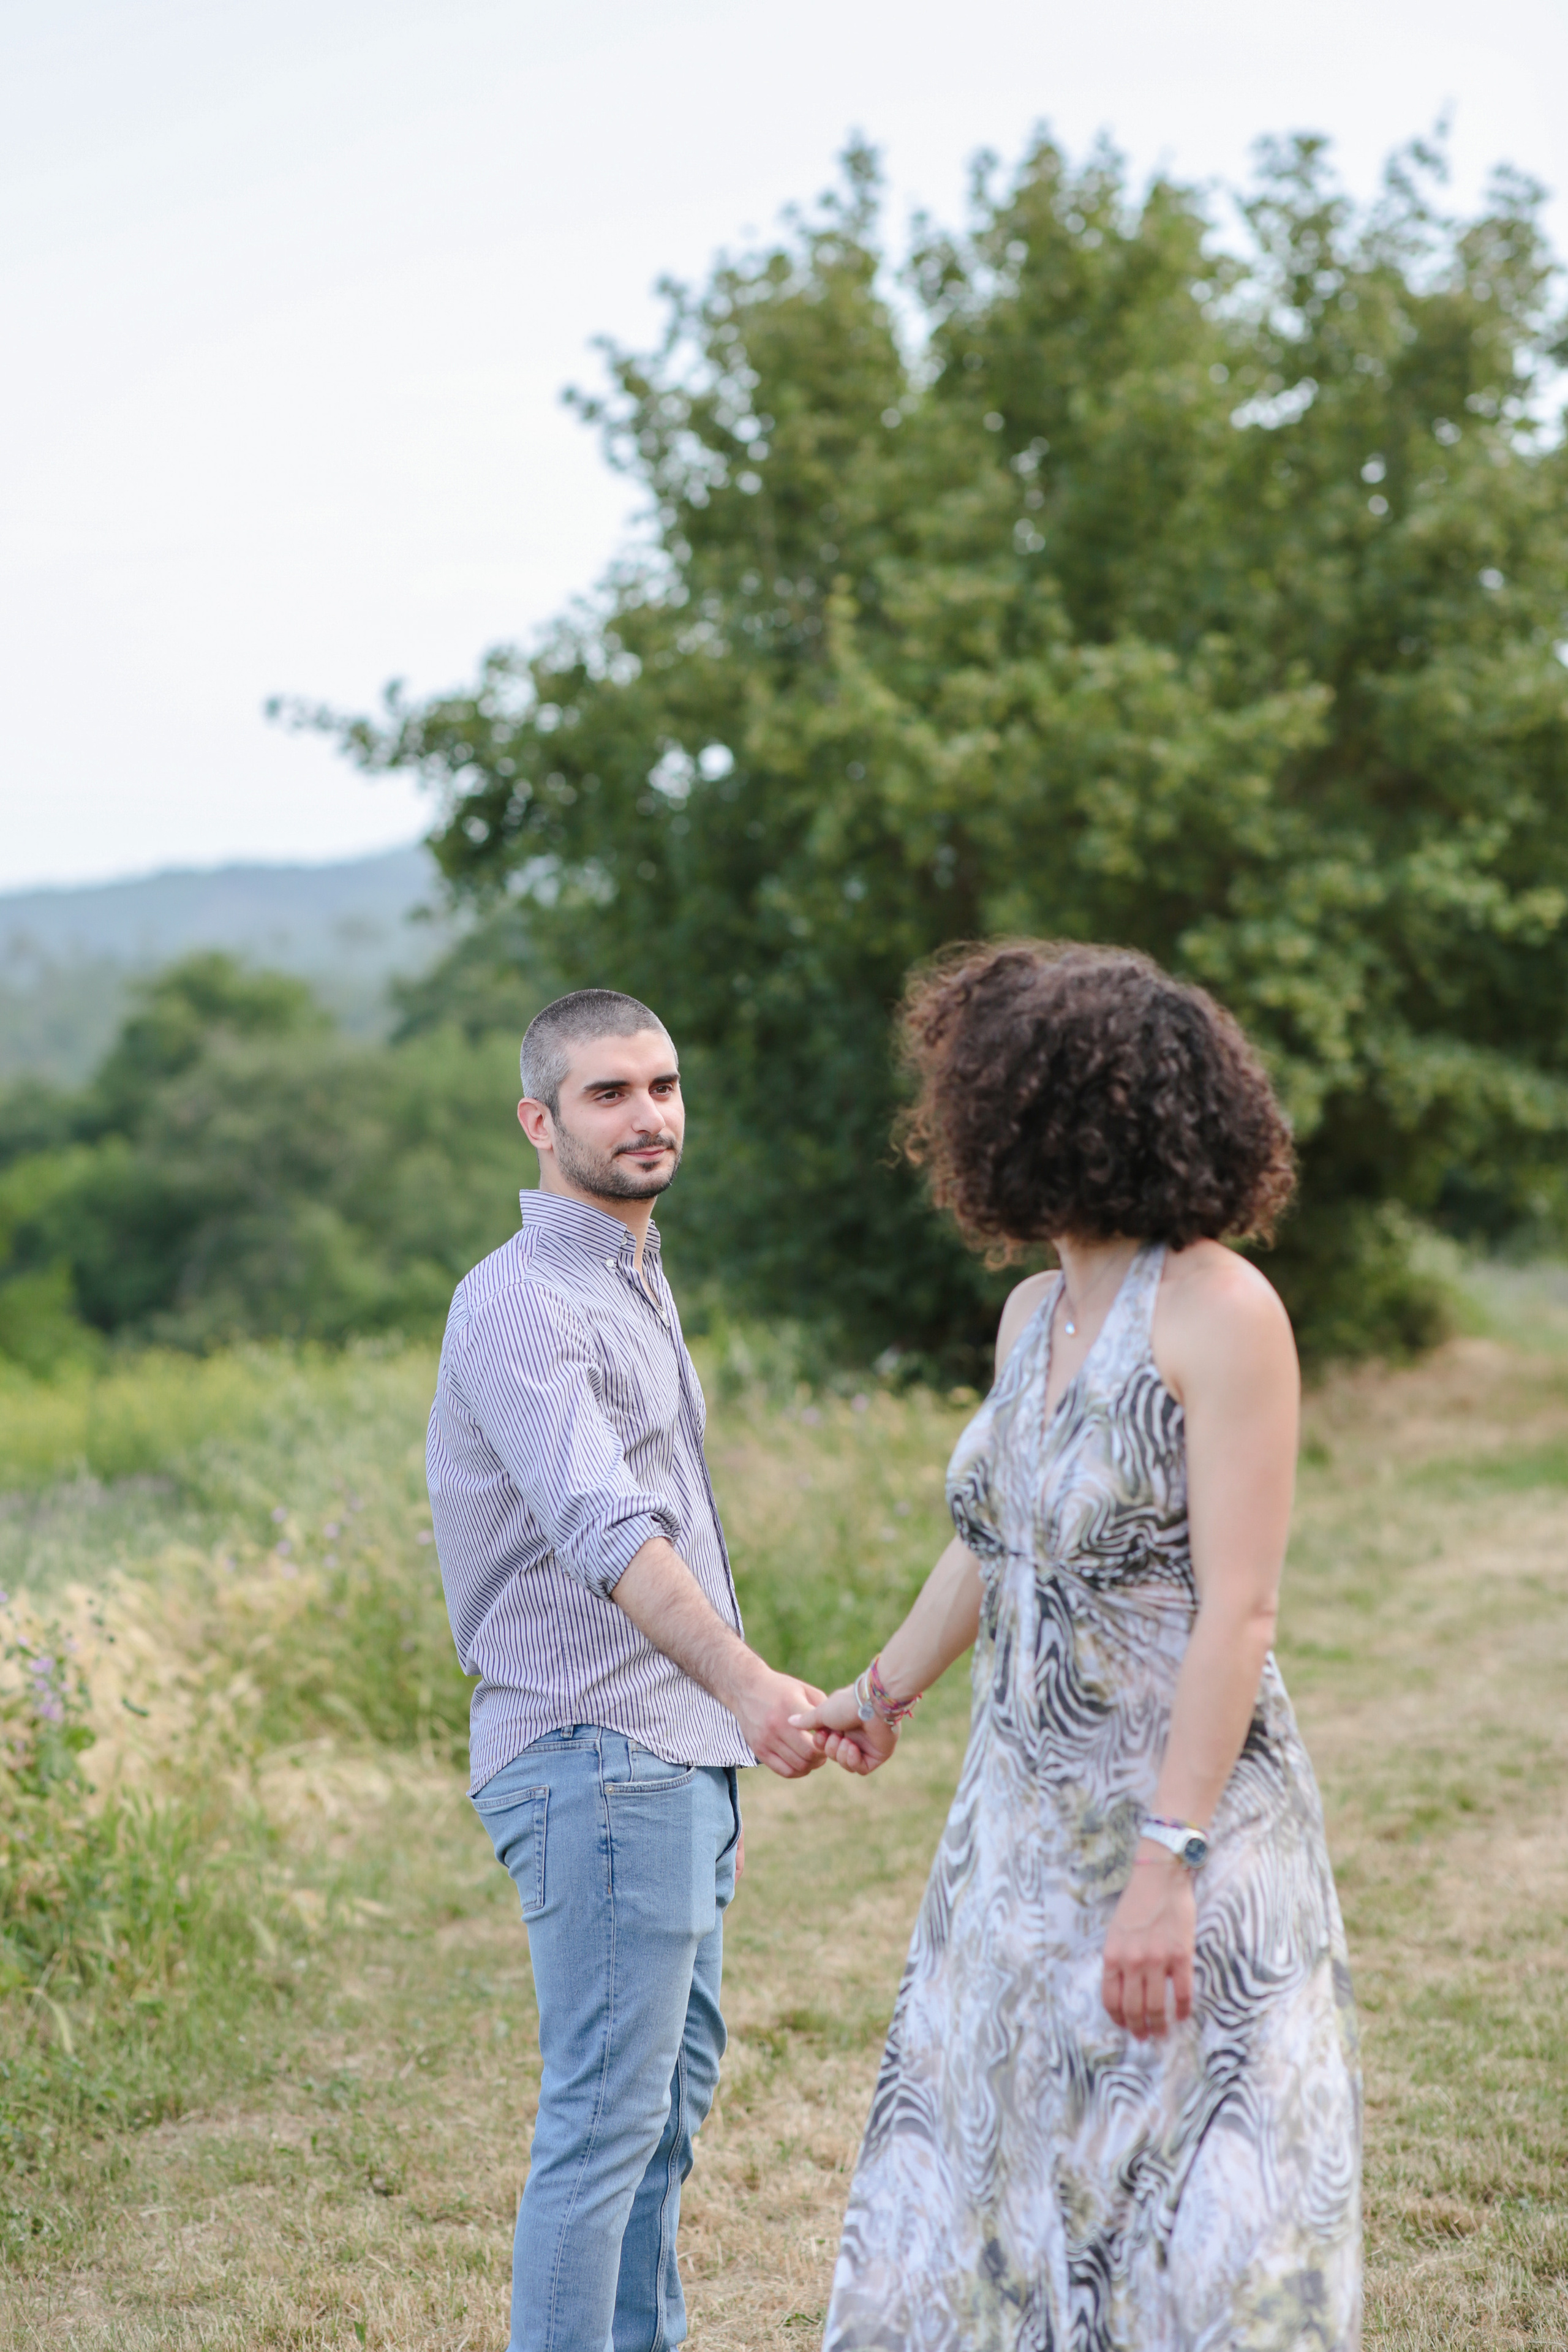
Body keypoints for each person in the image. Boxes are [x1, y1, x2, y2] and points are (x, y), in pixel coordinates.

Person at [794, 942, 1362, 2351]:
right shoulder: (1030, 1314)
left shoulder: (1220, 1311)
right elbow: (999, 1538)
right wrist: (876, 1693)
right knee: (1006, 2199)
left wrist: (1164, 1867)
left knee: (1196, 2227)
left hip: (1183, 1830)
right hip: (1015, 1840)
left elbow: (1237, 1610)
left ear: (1046, 1117)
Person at [427, 988, 825, 2352]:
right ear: (538, 1123)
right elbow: (610, 1531)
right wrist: (750, 1687)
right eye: (607, 1093)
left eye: (662, 1084)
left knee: (663, 2115)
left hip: (670, 1759)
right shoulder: (519, 1301)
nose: (647, 1114)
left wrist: (718, 1733)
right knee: (604, 2126)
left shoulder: (631, 1276)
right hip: (595, 1756)